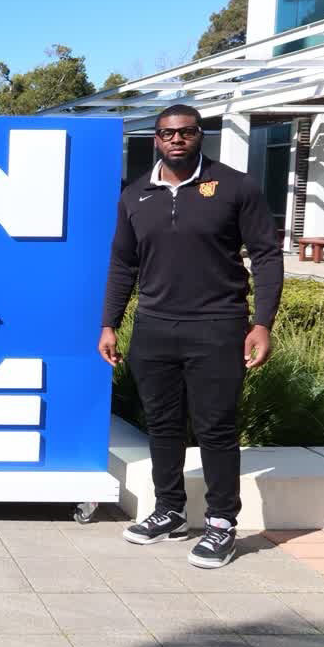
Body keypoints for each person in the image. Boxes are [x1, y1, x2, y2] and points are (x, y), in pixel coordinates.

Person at [99, 103, 282, 569]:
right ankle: (169, 511)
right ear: (155, 139)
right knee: (161, 426)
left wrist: (262, 323)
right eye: (166, 133)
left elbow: (265, 255)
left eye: (185, 132)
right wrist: (110, 322)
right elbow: (123, 263)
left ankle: (222, 524)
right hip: (155, 327)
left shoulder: (236, 186)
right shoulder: (136, 194)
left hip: (217, 327)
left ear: (200, 135)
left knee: (215, 427)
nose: (175, 139)